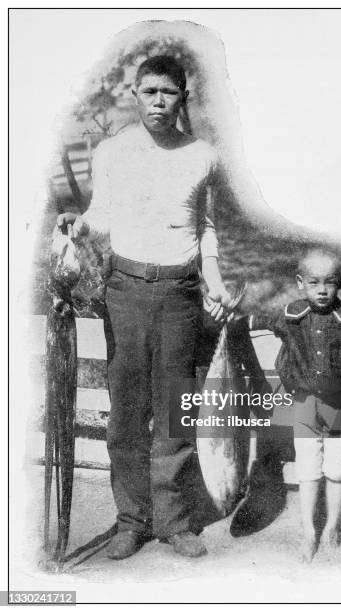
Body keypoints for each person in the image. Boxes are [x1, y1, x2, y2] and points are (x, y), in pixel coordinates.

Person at [57, 55, 232, 559]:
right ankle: (131, 520)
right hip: (125, 291)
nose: (158, 102)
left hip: (179, 294)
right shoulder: (112, 151)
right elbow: (103, 213)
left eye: (168, 93)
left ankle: (174, 519)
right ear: (134, 94)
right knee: (127, 413)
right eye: (149, 91)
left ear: (183, 97)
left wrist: (214, 284)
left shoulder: (203, 155)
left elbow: (206, 229)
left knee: (176, 409)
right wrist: (80, 225)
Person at [247, 248, 341, 561]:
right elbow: (255, 318)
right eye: (314, 282)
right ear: (300, 283)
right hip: (304, 405)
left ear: (340, 283)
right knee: (307, 470)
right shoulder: (291, 315)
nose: (321, 290)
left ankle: (331, 526)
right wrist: (228, 320)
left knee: (337, 471)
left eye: (330, 282)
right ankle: (309, 531)